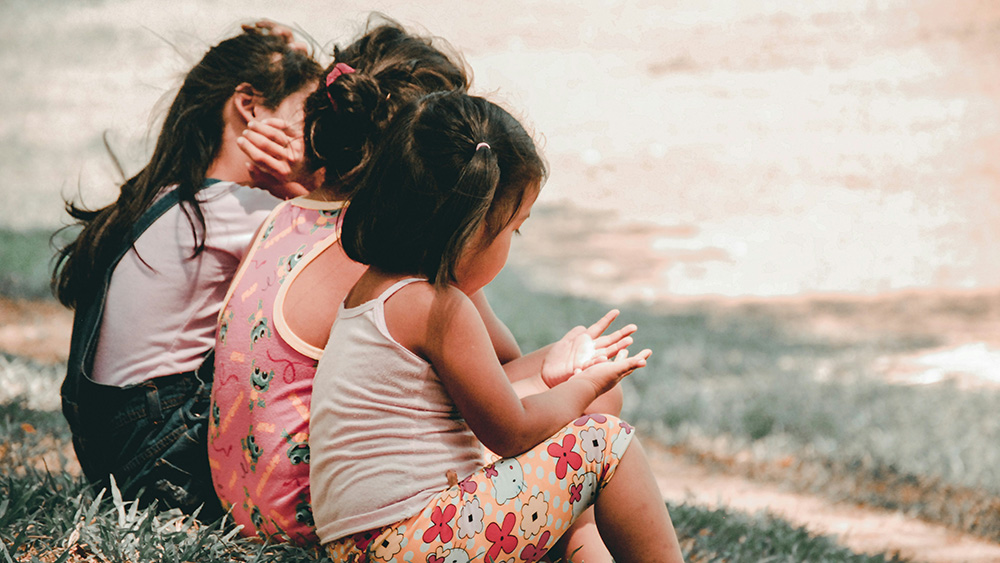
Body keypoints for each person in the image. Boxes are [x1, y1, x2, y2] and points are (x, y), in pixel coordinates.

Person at [211, 21, 630, 556]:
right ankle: (581, 547)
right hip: (321, 518)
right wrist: (575, 382)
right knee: (592, 414)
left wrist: (560, 366)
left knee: (577, 396)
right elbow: (501, 383)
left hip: (252, 500)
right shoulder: (398, 260)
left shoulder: (289, 215)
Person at [310, 91, 686, 562]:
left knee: (587, 413)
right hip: (413, 542)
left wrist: (554, 374)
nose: (512, 243)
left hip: (367, 545)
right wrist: (585, 385)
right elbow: (511, 431)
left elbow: (481, 395)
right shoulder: (439, 308)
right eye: (514, 229)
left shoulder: (377, 291)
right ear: (470, 228)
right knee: (605, 441)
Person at [51, 23, 323, 519]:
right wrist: (300, 187)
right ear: (250, 106)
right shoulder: (241, 210)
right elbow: (352, 259)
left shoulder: (166, 195)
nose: (311, 138)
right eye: (304, 115)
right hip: (163, 465)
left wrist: (288, 60)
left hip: (116, 455)